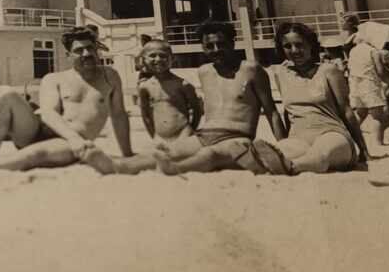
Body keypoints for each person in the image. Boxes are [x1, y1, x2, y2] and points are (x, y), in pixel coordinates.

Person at [0, 26, 140, 173]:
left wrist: (127, 153)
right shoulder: (54, 78)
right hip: (36, 131)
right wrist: (74, 138)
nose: (86, 54)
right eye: (79, 51)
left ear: (96, 49)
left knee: (37, 155)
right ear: (68, 55)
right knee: (1, 92)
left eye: (90, 48)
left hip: (66, 144)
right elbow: (48, 113)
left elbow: (118, 115)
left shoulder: (110, 76)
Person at [151, 21, 286, 174]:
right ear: (202, 47)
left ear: (232, 44)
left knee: (210, 155)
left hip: (237, 139)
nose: (216, 50)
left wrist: (283, 146)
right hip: (204, 136)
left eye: (221, 44)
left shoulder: (251, 69)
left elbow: (272, 112)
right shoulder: (204, 71)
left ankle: (175, 169)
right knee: (165, 152)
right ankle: (122, 166)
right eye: (209, 46)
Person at [258, 22, 366, 174]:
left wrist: (363, 149)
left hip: (332, 135)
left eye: (299, 44)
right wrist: (284, 141)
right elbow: (289, 112)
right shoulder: (280, 74)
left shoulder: (329, 71)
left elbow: (346, 111)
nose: (294, 50)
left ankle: (292, 166)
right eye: (288, 46)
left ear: (310, 45)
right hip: (299, 139)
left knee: (321, 155)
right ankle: (289, 162)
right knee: (280, 151)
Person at [137, 39, 202, 151]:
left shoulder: (183, 84)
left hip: (183, 133)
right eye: (152, 55)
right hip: (159, 136)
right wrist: (154, 136)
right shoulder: (144, 87)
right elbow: (146, 116)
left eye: (163, 56)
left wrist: (191, 130)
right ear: (144, 60)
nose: (158, 59)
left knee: (180, 157)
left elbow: (197, 110)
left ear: (172, 58)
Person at [346, 22, 389, 147]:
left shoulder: (353, 50)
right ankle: (378, 142)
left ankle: (350, 137)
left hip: (355, 85)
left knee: (360, 113)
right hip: (369, 85)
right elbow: (380, 71)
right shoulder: (373, 51)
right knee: (377, 116)